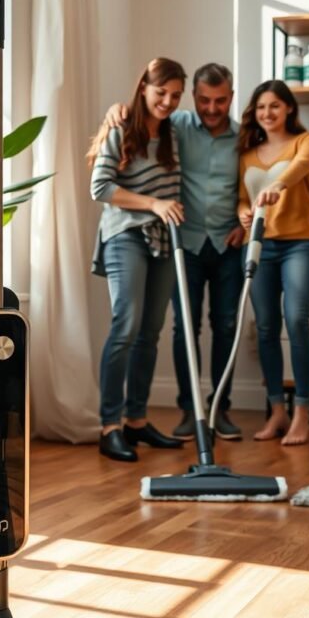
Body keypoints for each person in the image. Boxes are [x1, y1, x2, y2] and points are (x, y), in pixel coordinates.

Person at [105, 63, 244, 441]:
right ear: (194, 97)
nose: (212, 108)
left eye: (220, 101)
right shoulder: (177, 123)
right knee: (182, 328)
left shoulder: (244, 136)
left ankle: (219, 409)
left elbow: (255, 178)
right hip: (185, 242)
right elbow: (142, 116)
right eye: (203, 100)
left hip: (227, 243)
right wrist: (116, 110)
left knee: (225, 326)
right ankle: (187, 410)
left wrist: (244, 221)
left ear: (231, 98)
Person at [88, 57, 187, 462]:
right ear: (144, 86)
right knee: (125, 326)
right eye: (161, 92)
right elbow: (100, 187)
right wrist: (153, 204)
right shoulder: (121, 128)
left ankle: (136, 421)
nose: (167, 101)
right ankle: (109, 426)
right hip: (124, 235)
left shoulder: (172, 135)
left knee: (150, 332)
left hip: (162, 240)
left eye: (176, 96)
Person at [237, 79, 309, 446]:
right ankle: (277, 411)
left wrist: (277, 185)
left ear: (288, 108)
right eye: (260, 108)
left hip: (299, 243)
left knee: (297, 319)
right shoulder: (246, 154)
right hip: (260, 246)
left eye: (274, 105)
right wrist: (242, 213)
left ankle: (302, 411)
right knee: (266, 328)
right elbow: (243, 197)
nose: (267, 113)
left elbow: (299, 168)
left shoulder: (306, 141)